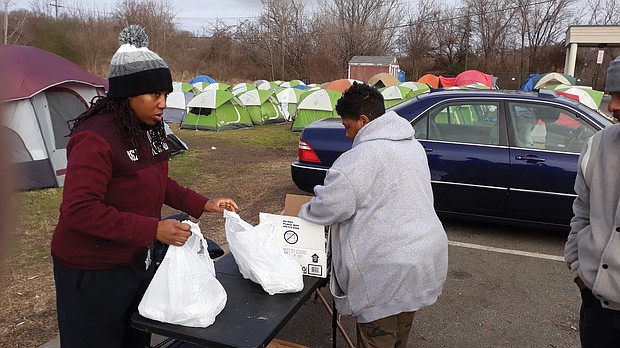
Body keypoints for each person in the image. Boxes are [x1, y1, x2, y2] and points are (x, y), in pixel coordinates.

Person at [50, 25, 238, 348]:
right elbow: (80, 211)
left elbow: (157, 181)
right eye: (155, 95)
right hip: (91, 271)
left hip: (134, 261)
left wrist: (204, 203)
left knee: (135, 338)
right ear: (129, 93)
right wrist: (153, 229)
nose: (163, 103)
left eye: (166, 94)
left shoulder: (150, 127)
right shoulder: (95, 137)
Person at [297, 82, 448, 347]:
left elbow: (329, 207)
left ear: (364, 121)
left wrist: (304, 211)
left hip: (387, 268)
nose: (346, 134)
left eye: (348, 126)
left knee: (378, 337)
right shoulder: (412, 145)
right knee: (399, 332)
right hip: (422, 258)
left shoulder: (360, 158)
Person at [564, 55, 620, 347]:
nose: (613, 106)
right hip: (596, 308)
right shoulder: (597, 144)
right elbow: (581, 211)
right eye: (612, 94)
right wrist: (578, 271)